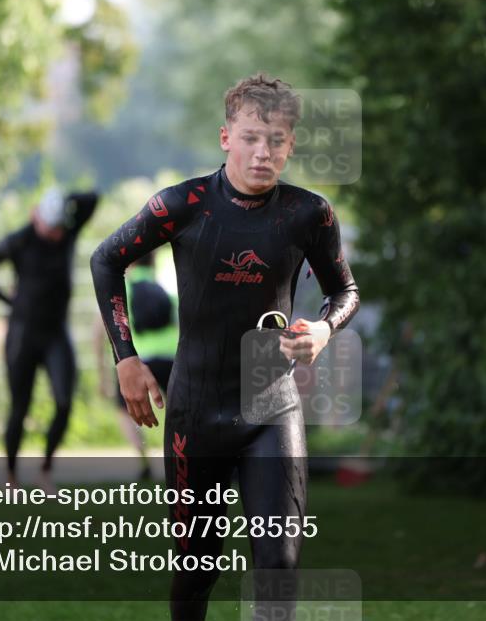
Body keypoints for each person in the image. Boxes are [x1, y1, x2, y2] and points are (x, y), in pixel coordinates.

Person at [91, 73, 359, 620]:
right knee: (196, 572)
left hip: (270, 401)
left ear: (290, 144)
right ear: (225, 137)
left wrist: (326, 330)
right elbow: (106, 259)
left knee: (278, 570)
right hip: (196, 407)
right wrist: (127, 358)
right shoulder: (183, 205)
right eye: (252, 137)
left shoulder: (310, 214)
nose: (263, 152)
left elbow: (345, 291)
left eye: (277, 140)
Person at [0, 187, 98, 490]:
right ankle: (12, 476)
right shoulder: (21, 240)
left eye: (58, 227)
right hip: (23, 334)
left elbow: (92, 199)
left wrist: (64, 200)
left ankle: (45, 469)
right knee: (19, 407)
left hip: (56, 334)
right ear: (35, 217)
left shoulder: (67, 233)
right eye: (49, 227)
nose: (55, 234)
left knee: (64, 402)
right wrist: (7, 299)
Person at [93, 251, 177, 480]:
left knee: (124, 410)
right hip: (171, 357)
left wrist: (103, 375)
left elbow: (100, 333)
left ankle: (144, 458)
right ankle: (181, 457)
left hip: (139, 360)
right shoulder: (167, 286)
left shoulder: (121, 292)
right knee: (180, 412)